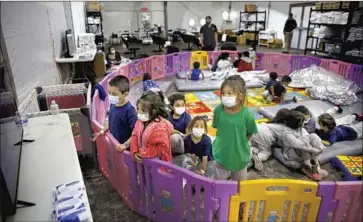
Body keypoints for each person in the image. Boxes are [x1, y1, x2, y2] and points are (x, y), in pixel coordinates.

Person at [212, 75, 258, 181]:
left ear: (241, 96)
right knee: (218, 183)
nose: (225, 96)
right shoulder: (218, 111)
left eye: (229, 93)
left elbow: (250, 133)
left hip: (240, 156)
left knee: (240, 186)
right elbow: (218, 127)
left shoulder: (247, 115)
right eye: (223, 93)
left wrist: (240, 142)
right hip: (221, 154)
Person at [91, 76, 137, 152]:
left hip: (126, 150)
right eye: (109, 93)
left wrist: (125, 145)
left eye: (114, 94)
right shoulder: (113, 105)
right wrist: (101, 132)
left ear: (125, 94)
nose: (111, 96)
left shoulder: (130, 111)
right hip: (115, 147)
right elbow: (111, 121)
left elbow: (136, 132)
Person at [281, 110, 328, 180]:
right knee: (303, 146)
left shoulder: (301, 129)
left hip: (306, 151)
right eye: (303, 121)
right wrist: (315, 150)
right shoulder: (287, 133)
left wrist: (320, 148)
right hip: (292, 153)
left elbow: (308, 139)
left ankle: (316, 166)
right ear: (298, 123)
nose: (305, 122)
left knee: (313, 136)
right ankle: (311, 168)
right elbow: (299, 145)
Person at [130, 91, 173, 163]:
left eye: (143, 110)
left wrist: (143, 153)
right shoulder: (139, 122)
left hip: (157, 164)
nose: (139, 112)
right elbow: (134, 136)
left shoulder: (161, 128)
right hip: (142, 161)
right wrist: (134, 151)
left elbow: (163, 148)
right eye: (138, 109)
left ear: (153, 111)